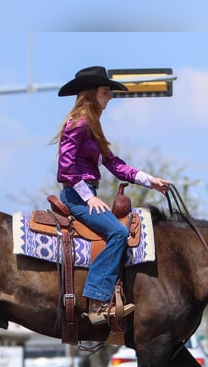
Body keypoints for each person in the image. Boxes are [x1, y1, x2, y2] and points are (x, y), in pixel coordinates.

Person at [53, 66, 170, 325]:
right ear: (91, 93)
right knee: (118, 233)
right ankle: (97, 302)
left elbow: (114, 164)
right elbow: (65, 167)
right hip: (77, 195)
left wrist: (151, 181)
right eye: (106, 92)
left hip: (84, 192)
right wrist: (87, 197)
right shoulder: (79, 123)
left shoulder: (92, 125)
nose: (110, 97)